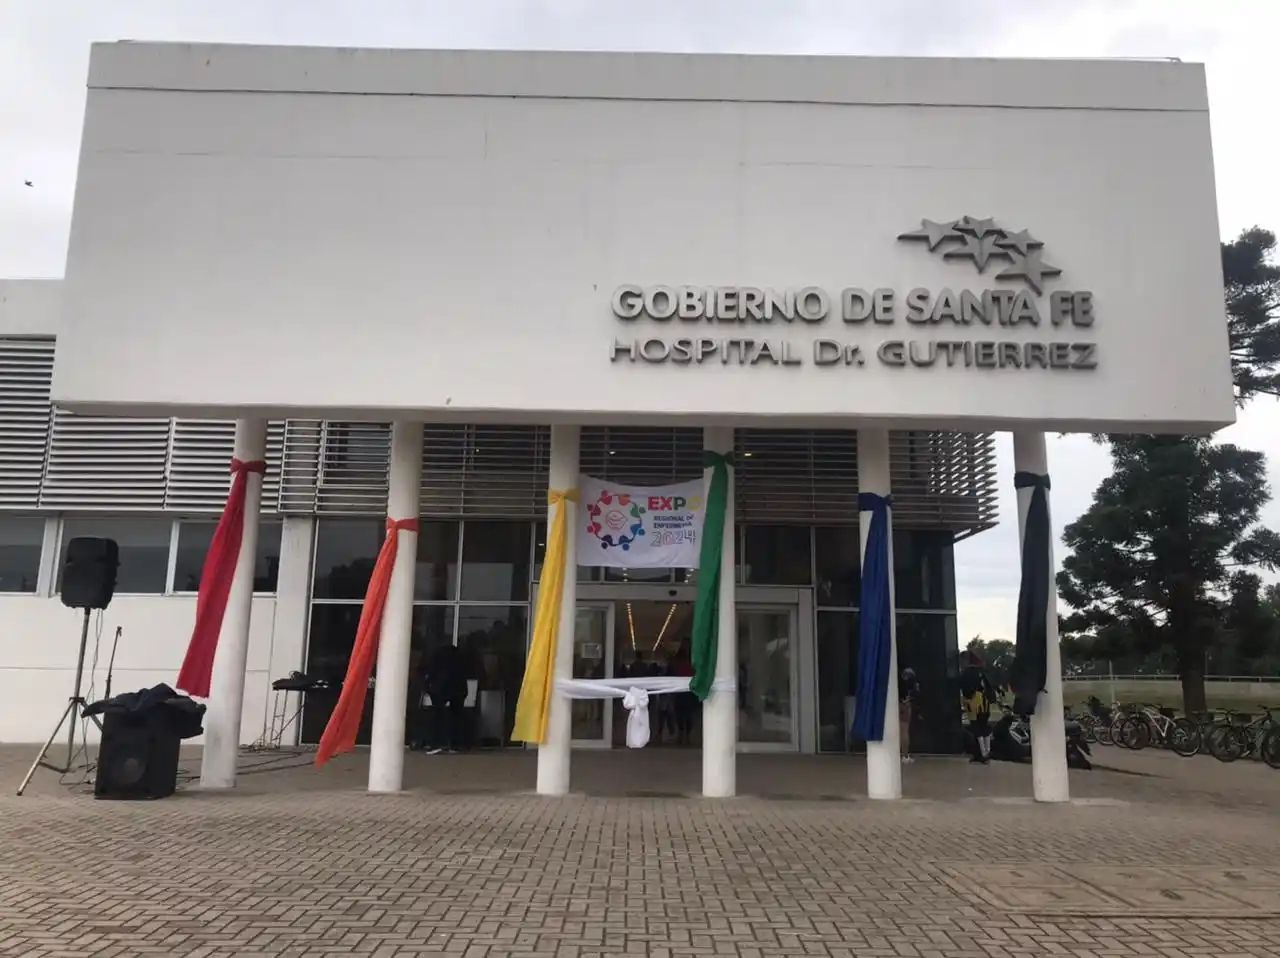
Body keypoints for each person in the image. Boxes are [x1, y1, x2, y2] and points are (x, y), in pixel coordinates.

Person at [424, 642, 468, 754]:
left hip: (441, 687)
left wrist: (429, 687)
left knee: (437, 715)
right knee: (456, 716)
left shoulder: (438, 658)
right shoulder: (459, 660)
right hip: (457, 687)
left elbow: (431, 672)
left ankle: (436, 743)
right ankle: (455, 744)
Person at [960, 647, 998, 764]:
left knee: (977, 728)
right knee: (984, 727)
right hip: (984, 703)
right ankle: (986, 752)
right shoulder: (983, 672)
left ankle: (982, 754)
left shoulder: (967, 673)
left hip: (974, 703)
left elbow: (963, 687)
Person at [668, 641, 697, 747]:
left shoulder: (676, 667)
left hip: (679, 694)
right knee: (688, 716)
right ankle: (687, 737)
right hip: (689, 694)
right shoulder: (691, 666)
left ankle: (680, 735)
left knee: (680, 715)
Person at [899, 667, 920, 764]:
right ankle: (905, 755)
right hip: (906, 705)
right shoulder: (913, 685)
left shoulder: (899, 684)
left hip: (899, 704)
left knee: (900, 731)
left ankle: (901, 754)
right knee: (904, 731)